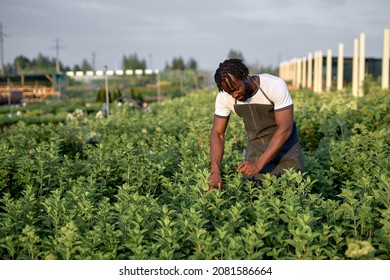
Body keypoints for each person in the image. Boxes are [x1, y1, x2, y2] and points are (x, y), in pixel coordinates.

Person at [208, 59, 304, 191]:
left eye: (236, 89)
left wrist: (259, 164)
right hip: (255, 153)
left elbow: (285, 128)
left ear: (245, 76)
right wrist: (215, 172)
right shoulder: (224, 97)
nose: (234, 95)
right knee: (255, 199)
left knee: (291, 196)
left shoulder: (273, 85)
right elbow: (218, 134)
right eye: (230, 92)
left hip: (286, 154)